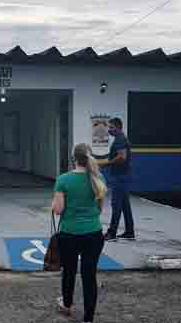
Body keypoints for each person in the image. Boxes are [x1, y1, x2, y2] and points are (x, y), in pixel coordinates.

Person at [52, 143, 107, 323]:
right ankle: (88, 318)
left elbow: (58, 210)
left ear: (73, 159)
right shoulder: (98, 179)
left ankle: (67, 305)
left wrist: (54, 206)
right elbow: (99, 209)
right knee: (89, 275)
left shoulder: (63, 180)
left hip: (69, 234)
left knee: (69, 270)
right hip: (94, 234)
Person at [97, 118, 134, 242]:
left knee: (116, 204)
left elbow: (122, 157)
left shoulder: (120, 140)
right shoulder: (121, 139)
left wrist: (107, 163)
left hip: (120, 177)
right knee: (125, 205)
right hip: (123, 175)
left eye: (112, 127)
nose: (109, 130)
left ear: (119, 127)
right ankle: (129, 232)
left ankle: (111, 233)